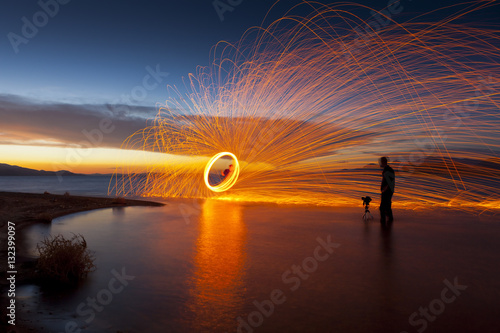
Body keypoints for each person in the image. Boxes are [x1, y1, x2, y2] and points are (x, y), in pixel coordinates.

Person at [379, 156, 395, 223]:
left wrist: (385, 188)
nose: (380, 163)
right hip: (388, 191)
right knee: (387, 206)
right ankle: (389, 220)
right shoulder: (387, 169)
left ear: (383, 162)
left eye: (380, 162)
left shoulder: (388, 170)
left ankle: (384, 221)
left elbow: (390, 181)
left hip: (387, 191)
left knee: (382, 207)